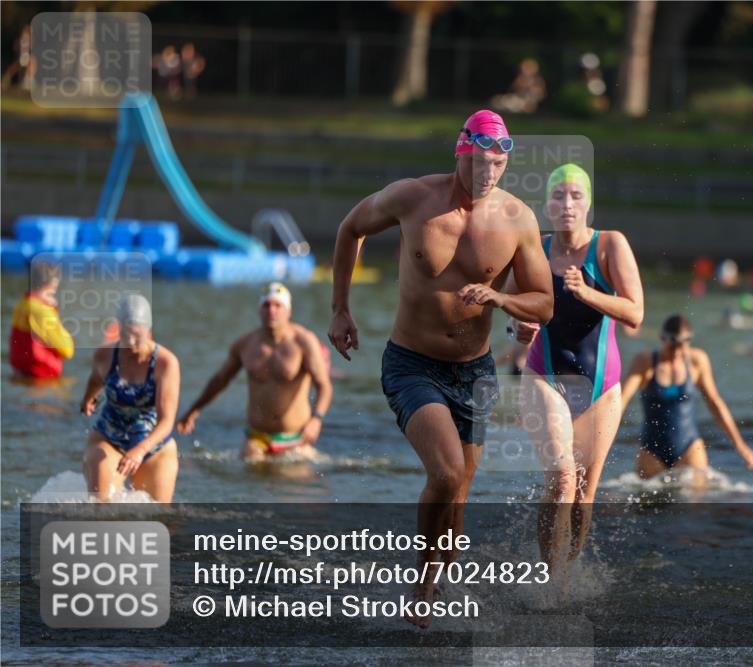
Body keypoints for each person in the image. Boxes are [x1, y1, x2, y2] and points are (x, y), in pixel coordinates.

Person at [327, 110, 553, 627]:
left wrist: (502, 299)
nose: (488, 173)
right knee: (447, 473)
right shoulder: (413, 198)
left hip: (475, 372)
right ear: (460, 152)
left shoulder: (517, 219)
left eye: (498, 164)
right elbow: (350, 228)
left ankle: (445, 584)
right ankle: (423, 584)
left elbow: (543, 303)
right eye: (479, 162)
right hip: (412, 364)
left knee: (459, 497)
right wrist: (340, 309)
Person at [512, 163, 643, 575]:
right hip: (545, 375)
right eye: (558, 196)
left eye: (576, 196)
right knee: (562, 479)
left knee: (585, 492)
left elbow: (635, 312)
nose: (567, 204)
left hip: (602, 384)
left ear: (588, 203)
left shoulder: (610, 245)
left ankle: (567, 576)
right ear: (547, 205)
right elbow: (514, 306)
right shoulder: (535, 246)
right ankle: (549, 579)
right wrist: (518, 325)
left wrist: (586, 292)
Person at [178, 283, 332, 462]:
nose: (271, 310)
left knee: (297, 479)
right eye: (266, 305)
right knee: (249, 474)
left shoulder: (304, 341)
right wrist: (194, 409)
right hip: (256, 439)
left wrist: (316, 419)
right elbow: (220, 380)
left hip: (296, 438)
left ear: (288, 311)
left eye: (278, 305)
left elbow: (324, 386)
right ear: (259, 310)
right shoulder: (245, 344)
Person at [621, 315, 753, 480]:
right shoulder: (645, 362)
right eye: (672, 348)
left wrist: (740, 444)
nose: (676, 353)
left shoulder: (697, 361)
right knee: (645, 495)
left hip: (689, 447)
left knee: (698, 495)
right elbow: (620, 402)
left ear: (689, 342)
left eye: (681, 348)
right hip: (651, 450)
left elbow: (715, 403)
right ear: (662, 339)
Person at [80, 295, 179, 503]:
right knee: (101, 509)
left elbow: (167, 421)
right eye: (126, 335)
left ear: (149, 332)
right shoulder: (105, 355)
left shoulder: (166, 363)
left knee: (158, 516)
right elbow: (96, 378)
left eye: (137, 336)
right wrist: (88, 397)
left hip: (153, 442)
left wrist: (140, 450)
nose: (131, 343)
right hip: (109, 436)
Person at [9, 261, 74, 379]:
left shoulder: (21, 305)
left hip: (20, 372)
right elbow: (67, 349)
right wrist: (54, 311)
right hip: (42, 377)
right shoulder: (43, 312)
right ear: (50, 285)